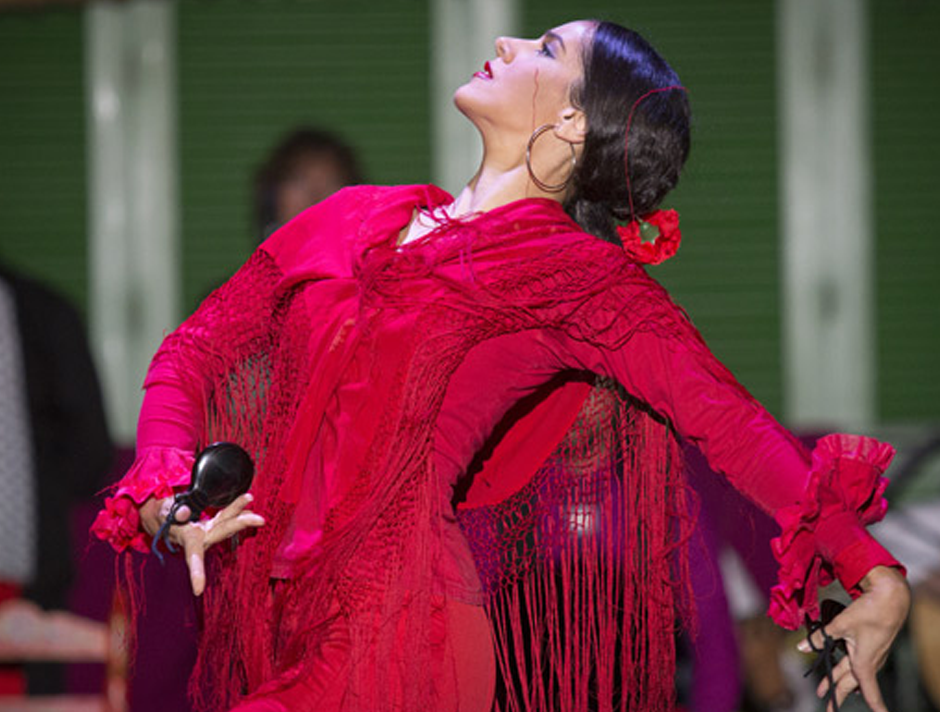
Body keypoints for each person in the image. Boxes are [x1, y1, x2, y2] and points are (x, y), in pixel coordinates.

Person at [92, 19, 910, 712]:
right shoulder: (355, 216)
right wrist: (166, 477)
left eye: (547, 50)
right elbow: (192, 351)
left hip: (405, 627)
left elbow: (728, 422)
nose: (507, 40)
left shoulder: (579, 278)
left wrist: (872, 570)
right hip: (289, 611)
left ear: (574, 125)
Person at [0, 262, 113, 694]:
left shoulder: (41, 314)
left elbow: (90, 451)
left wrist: (40, 500)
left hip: (34, 571)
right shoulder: (41, 310)